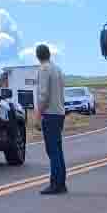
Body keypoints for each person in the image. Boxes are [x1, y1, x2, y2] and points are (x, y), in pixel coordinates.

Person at [35, 44, 67, 195]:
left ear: (37, 56)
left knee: (52, 150)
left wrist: (37, 114)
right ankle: (61, 182)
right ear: (49, 54)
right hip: (60, 113)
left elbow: (43, 94)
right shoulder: (57, 69)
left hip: (50, 114)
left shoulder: (43, 70)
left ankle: (55, 183)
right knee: (58, 150)